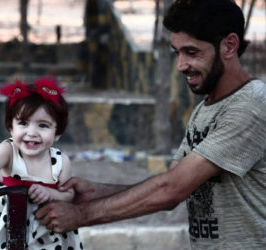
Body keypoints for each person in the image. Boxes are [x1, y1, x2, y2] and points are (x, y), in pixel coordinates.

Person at [35, 0, 266, 249]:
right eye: (177, 52)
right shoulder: (206, 109)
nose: (181, 65)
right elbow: (175, 181)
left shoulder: (250, 105)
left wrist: (82, 215)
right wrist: (96, 192)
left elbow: (171, 191)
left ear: (229, 46)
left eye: (192, 52)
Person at [0, 78, 83, 250]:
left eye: (43, 125)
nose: (32, 133)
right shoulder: (9, 151)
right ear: (11, 127)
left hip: (44, 235)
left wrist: (50, 193)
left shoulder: (60, 161)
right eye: (23, 123)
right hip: (2, 232)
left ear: (58, 132)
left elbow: (69, 194)